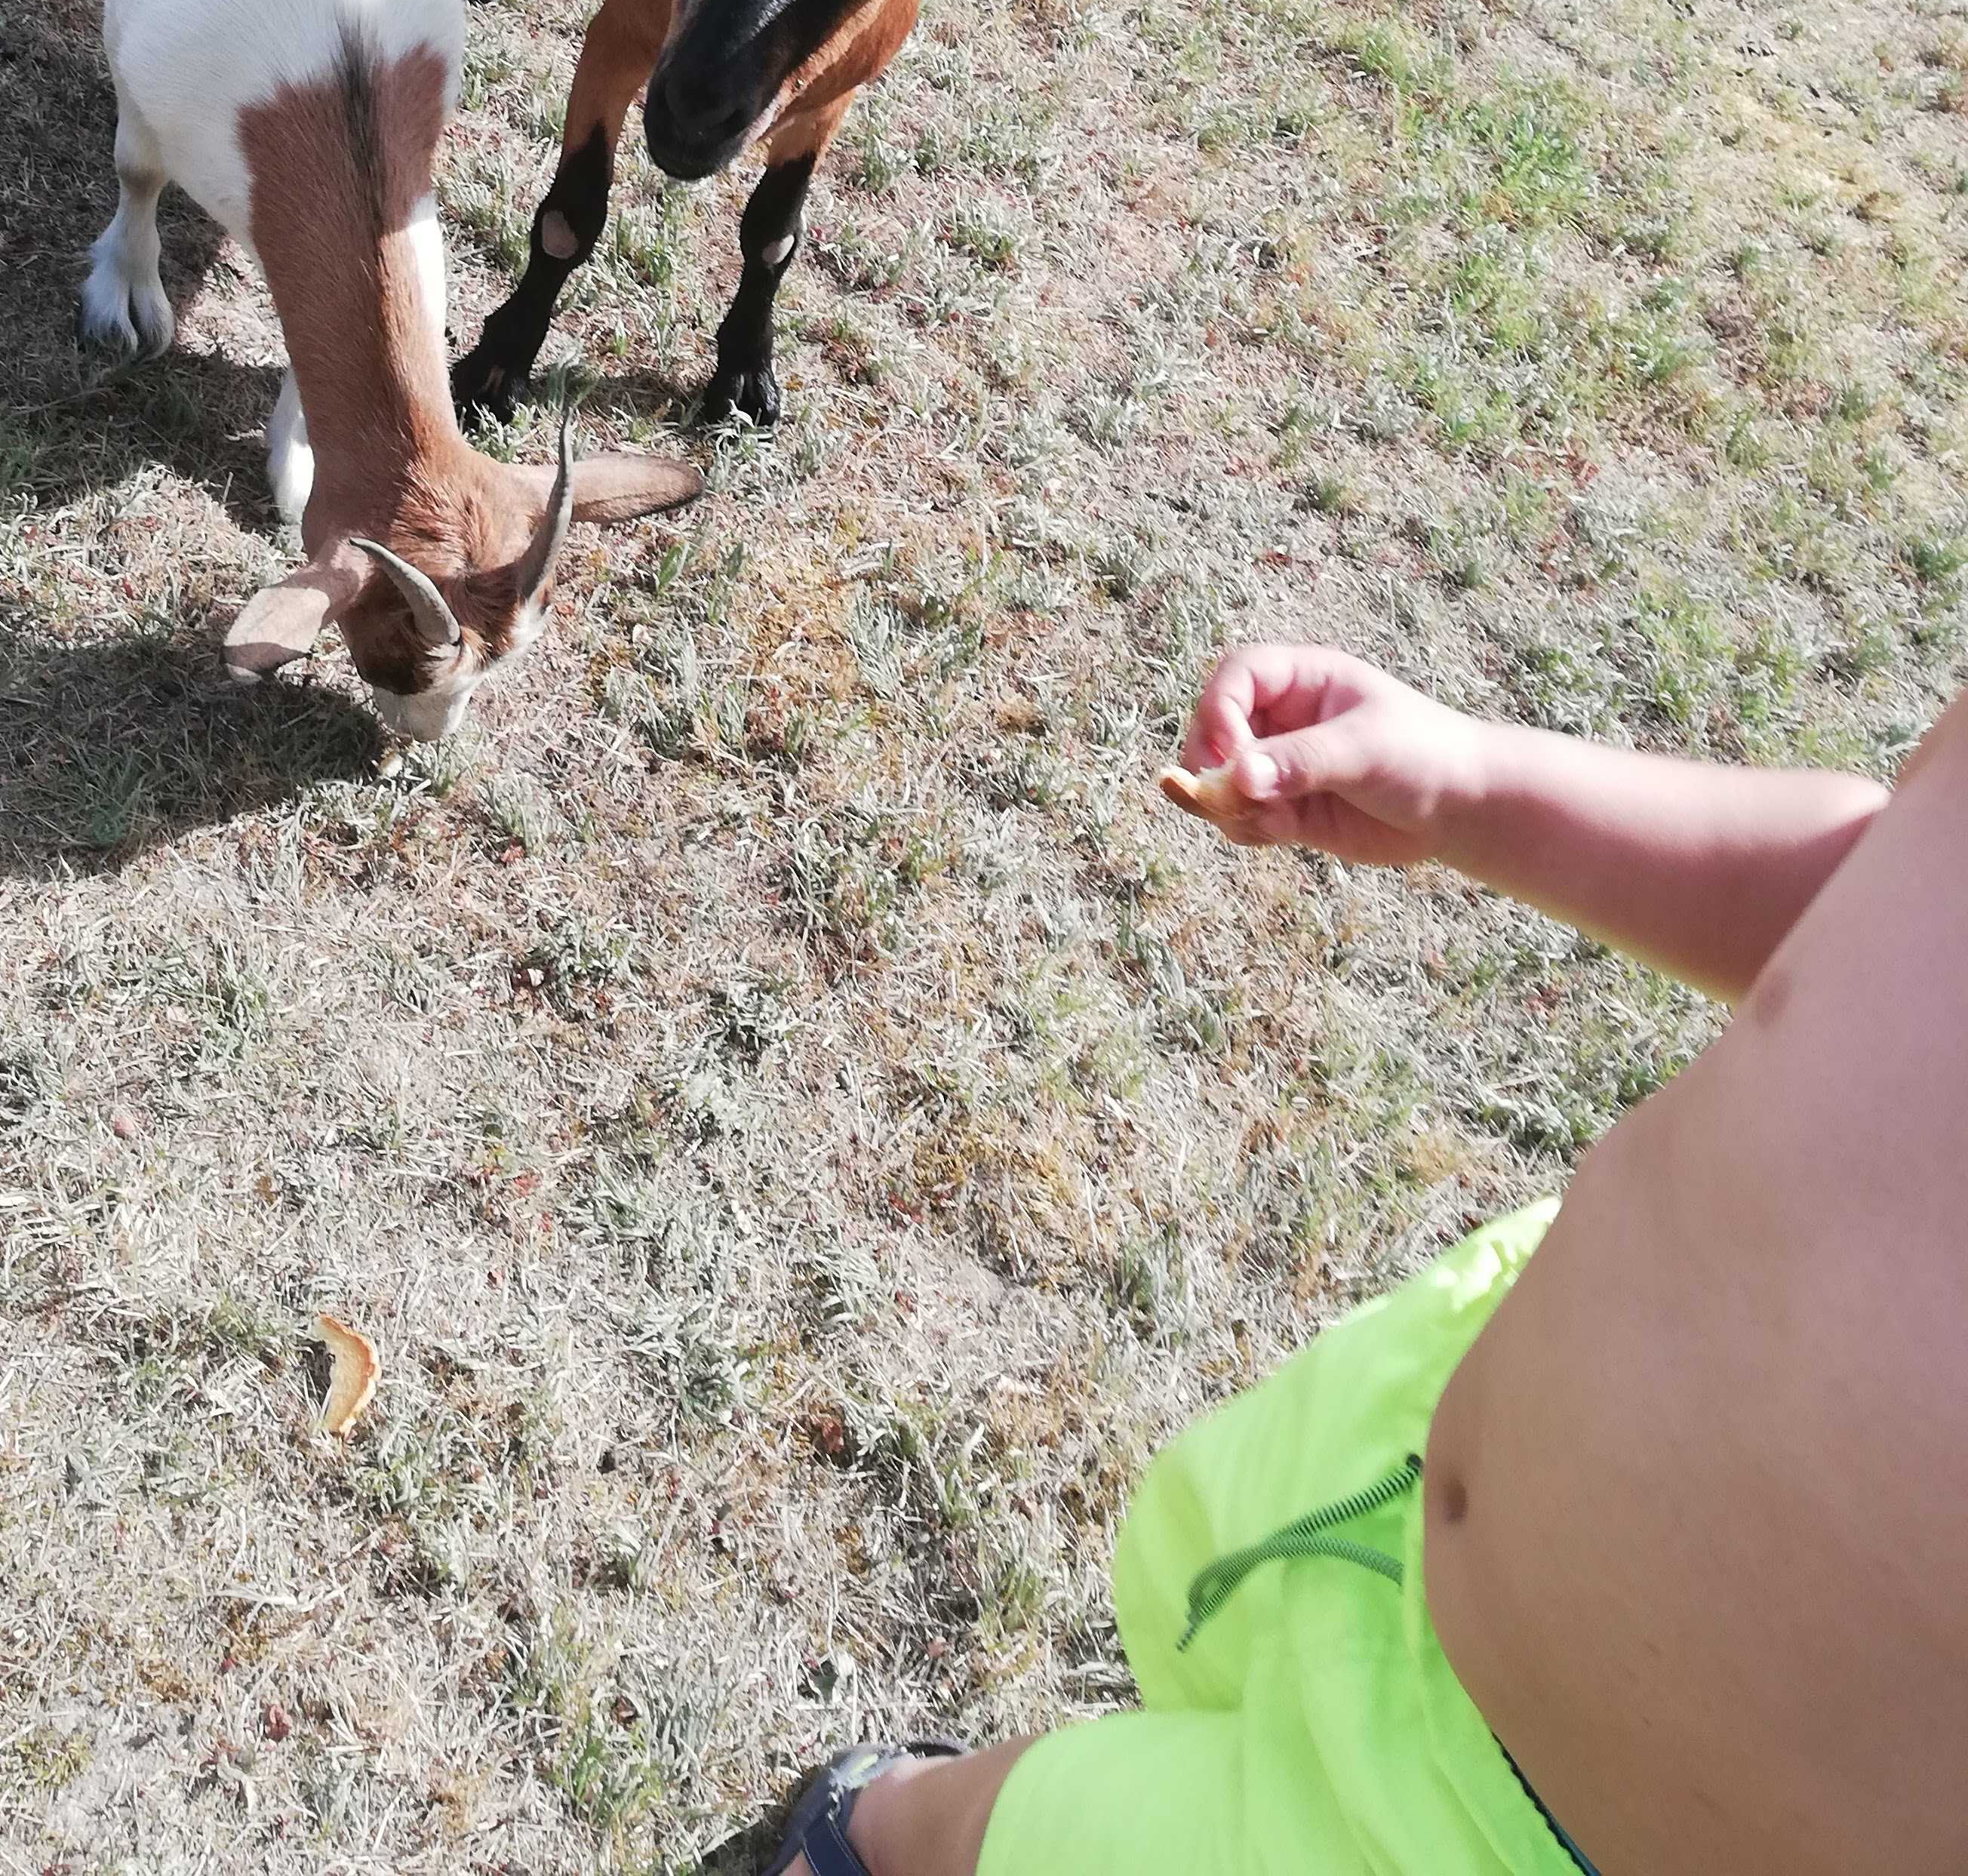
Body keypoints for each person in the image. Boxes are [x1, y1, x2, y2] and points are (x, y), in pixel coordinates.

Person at [770, 641, 1963, 1876]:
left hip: (1474, 1848)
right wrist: (1471, 784)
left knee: (1028, 1838)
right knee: (1037, 1791)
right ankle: (887, 1830)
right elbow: (1882, 882)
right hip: (1402, 1477)